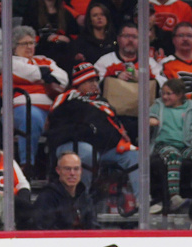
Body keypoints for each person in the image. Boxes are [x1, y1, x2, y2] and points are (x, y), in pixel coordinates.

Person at [46, 62, 140, 196]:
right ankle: (82, 198)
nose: (95, 84)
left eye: (96, 80)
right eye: (90, 81)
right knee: (87, 152)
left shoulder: (103, 103)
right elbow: (59, 128)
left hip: (103, 148)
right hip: (71, 146)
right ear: (79, 83)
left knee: (133, 154)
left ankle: (141, 202)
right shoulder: (67, 100)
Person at [8, 26, 69, 167]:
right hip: (21, 109)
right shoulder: (9, 61)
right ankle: (27, 165)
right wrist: (45, 75)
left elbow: (63, 78)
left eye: (32, 43)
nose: (29, 47)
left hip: (52, 109)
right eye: (24, 44)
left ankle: (60, 168)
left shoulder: (44, 60)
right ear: (14, 46)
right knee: (32, 116)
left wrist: (41, 74)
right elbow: (26, 73)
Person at [148, 77, 192, 213]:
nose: (164, 96)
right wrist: (151, 121)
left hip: (184, 145)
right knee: (173, 156)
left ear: (180, 94)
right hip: (163, 144)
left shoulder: (191, 108)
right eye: (163, 93)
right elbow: (148, 116)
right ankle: (174, 198)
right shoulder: (158, 106)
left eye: (169, 94)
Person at [33, 151, 99, 230]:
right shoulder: (47, 198)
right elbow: (41, 230)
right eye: (67, 169)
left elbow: (94, 228)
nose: (72, 173)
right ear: (58, 170)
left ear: (81, 171)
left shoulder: (85, 197)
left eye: (76, 169)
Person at [72, 1, 118, 66]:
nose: (99, 17)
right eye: (95, 15)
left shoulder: (114, 38)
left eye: (102, 14)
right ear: (90, 20)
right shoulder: (82, 40)